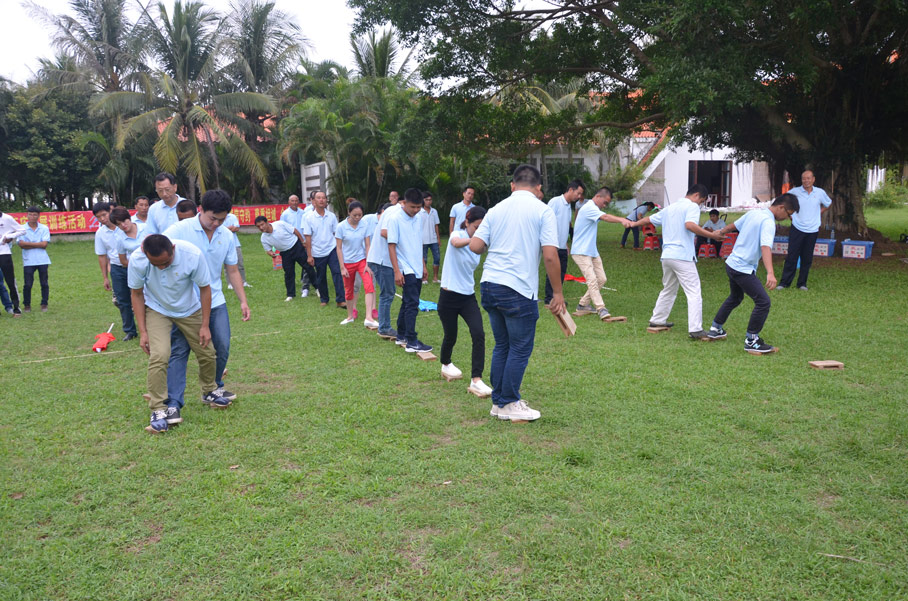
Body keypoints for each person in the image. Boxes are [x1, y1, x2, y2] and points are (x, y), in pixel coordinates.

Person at [469, 164, 565, 422]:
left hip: (490, 284)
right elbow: (550, 255)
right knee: (520, 348)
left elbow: (476, 245)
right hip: (518, 288)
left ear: (512, 185)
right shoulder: (543, 210)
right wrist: (557, 293)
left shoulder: (495, 209)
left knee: (503, 344)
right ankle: (509, 401)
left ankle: (500, 402)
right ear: (539, 187)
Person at [128, 234, 228, 433]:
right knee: (159, 355)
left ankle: (209, 390)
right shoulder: (137, 260)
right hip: (157, 309)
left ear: (173, 249)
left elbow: (205, 289)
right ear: (145, 254)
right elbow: (136, 294)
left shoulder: (192, 255)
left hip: (190, 309)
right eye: (156, 264)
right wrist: (143, 332)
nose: (161, 268)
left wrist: (205, 325)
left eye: (166, 263)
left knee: (207, 352)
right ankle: (158, 409)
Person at [164, 189, 250, 418]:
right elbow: (156, 253)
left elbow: (232, 270)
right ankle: (173, 402)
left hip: (215, 299)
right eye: (213, 218)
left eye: (222, 219)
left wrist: (243, 301)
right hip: (184, 304)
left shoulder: (226, 235)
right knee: (180, 350)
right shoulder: (179, 230)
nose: (216, 224)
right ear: (201, 210)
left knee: (222, 344)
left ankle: (212, 388)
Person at [707, 194, 800, 352]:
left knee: (735, 297)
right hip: (742, 268)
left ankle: (715, 329)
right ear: (781, 207)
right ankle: (751, 340)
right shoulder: (768, 222)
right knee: (763, 302)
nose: (787, 218)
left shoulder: (754, 213)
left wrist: (721, 232)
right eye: (788, 214)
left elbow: (733, 225)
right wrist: (770, 273)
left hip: (732, 263)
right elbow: (765, 247)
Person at [629, 184, 724, 337]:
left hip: (667, 256)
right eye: (701, 201)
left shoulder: (670, 208)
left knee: (668, 289)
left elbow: (648, 219)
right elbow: (690, 225)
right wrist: (712, 235)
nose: (700, 205)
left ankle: (657, 320)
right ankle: (695, 329)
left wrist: (633, 223)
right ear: (696, 195)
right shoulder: (692, 207)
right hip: (682, 256)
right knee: (694, 292)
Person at [438, 206, 492, 397]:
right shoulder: (457, 234)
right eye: (476, 227)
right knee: (450, 335)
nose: (478, 232)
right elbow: (455, 243)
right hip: (448, 296)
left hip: (467, 297)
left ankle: (476, 379)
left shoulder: (480, 245)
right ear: (467, 223)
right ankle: (446, 363)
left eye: (481, 229)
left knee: (478, 334)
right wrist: (474, 239)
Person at [571, 187, 633, 319]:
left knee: (601, 279)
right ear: (598, 196)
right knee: (592, 280)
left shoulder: (593, 208)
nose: (604, 206)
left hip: (591, 251)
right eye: (605, 202)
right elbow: (605, 217)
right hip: (580, 251)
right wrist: (622, 219)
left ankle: (583, 304)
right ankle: (601, 309)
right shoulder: (589, 208)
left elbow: (604, 215)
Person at [387, 188, 432, 352]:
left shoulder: (419, 217)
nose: (416, 210)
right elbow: (391, 246)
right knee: (413, 303)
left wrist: (423, 265)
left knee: (408, 301)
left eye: (418, 207)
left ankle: (401, 335)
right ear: (404, 203)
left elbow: (418, 242)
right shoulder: (395, 219)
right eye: (413, 207)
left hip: (417, 265)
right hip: (405, 267)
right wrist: (396, 271)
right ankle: (412, 341)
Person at [779, 169, 832, 290]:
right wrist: (790, 215)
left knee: (807, 258)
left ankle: (802, 284)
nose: (806, 181)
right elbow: (783, 203)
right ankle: (784, 283)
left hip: (812, 230)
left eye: (808, 178)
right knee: (792, 256)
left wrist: (818, 212)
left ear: (813, 179)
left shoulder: (820, 192)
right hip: (797, 228)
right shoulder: (794, 192)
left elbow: (828, 203)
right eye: (804, 178)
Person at [94, 202, 137, 340]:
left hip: (134, 266)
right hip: (117, 268)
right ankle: (130, 330)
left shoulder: (125, 226)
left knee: (143, 297)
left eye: (104, 214)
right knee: (122, 300)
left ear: (110, 212)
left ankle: (149, 327)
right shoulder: (100, 233)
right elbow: (102, 255)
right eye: (98, 217)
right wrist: (105, 277)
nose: (102, 219)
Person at [335, 201, 378, 327]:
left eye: (360, 215)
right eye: (355, 215)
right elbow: (339, 248)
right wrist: (342, 267)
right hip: (347, 263)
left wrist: (368, 263)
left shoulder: (364, 225)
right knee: (349, 290)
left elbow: (368, 245)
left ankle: (369, 317)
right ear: (349, 213)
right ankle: (349, 317)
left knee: (369, 285)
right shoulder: (341, 227)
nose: (358, 218)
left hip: (362, 260)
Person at [255, 216, 317, 301]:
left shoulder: (280, 224)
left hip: (296, 246)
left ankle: (318, 288)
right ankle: (290, 295)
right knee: (288, 273)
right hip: (284, 253)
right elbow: (268, 250)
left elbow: (294, 230)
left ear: (267, 222)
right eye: (258, 226)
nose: (261, 228)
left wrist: (302, 242)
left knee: (308, 267)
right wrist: (271, 254)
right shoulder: (263, 238)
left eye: (262, 224)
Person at [544, 179, 585, 306]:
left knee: (561, 272)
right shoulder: (555, 202)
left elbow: (565, 226)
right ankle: (549, 298)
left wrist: (566, 244)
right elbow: (546, 222)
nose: (579, 197)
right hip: (552, 245)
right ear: (571, 190)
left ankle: (557, 296)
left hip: (562, 245)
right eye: (578, 193)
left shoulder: (568, 207)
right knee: (553, 271)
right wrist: (550, 243)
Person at [304, 191, 345, 308]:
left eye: (323, 198)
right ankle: (324, 299)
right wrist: (309, 255)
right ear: (314, 201)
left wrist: (339, 249)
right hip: (317, 252)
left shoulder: (331, 216)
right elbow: (308, 237)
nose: (321, 200)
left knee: (337, 273)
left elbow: (336, 234)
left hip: (332, 249)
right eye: (319, 198)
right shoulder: (309, 218)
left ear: (326, 200)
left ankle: (340, 300)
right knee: (321, 276)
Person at [367, 202, 399, 339]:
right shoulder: (393, 212)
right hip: (381, 260)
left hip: (381, 260)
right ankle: (384, 328)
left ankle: (384, 326)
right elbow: (384, 232)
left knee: (388, 292)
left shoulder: (394, 211)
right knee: (387, 293)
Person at [17, 207, 51, 312]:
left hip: (42, 260)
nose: (32, 217)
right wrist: (38, 244)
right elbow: (21, 244)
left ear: (38, 216)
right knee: (28, 284)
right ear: (26, 215)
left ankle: (44, 303)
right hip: (28, 261)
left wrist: (28, 244)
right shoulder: (21, 229)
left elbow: (44, 245)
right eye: (30, 214)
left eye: (35, 214)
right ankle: (27, 305)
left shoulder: (44, 228)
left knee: (44, 283)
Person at [281, 194, 309, 295]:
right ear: (289, 202)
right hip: (291, 243)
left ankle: (306, 285)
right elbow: (282, 228)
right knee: (290, 267)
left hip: (303, 241)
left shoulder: (303, 212)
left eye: (296, 200)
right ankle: (292, 290)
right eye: (292, 201)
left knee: (306, 263)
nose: (294, 203)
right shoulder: (285, 214)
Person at [0, 210, 26, 315]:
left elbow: (22, 230)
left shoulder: (7, 218)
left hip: (4, 253)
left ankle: (16, 308)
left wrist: (9, 236)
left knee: (10, 281)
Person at [223, 210, 250, 289]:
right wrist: (230, 228)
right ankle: (230, 283)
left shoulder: (232, 216)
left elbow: (236, 228)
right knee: (227, 265)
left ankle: (243, 282)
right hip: (223, 244)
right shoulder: (216, 217)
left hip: (235, 244)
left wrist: (224, 229)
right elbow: (217, 230)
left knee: (240, 263)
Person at [421, 191, 442, 283]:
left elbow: (436, 225)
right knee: (424, 259)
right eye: (426, 200)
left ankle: (435, 278)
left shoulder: (434, 211)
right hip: (423, 240)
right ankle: (424, 278)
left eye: (430, 200)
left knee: (437, 258)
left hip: (433, 239)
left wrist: (438, 238)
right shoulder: (419, 212)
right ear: (423, 200)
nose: (428, 202)